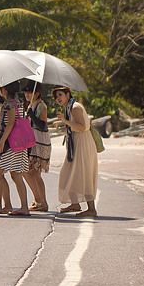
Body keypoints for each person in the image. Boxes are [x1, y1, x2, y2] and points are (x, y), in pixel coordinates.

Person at [0, 81, 30, 216]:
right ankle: (24, 207)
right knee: (16, 175)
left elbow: (9, 125)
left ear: (5, 89)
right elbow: (11, 121)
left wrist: (1, 142)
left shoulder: (9, 104)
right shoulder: (18, 102)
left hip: (10, 144)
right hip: (18, 143)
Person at [53, 86, 99, 216]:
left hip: (82, 144)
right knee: (68, 174)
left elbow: (82, 127)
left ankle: (91, 209)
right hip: (76, 144)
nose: (58, 99)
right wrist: (64, 122)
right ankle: (75, 204)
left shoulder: (75, 107)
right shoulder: (69, 107)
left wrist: (65, 121)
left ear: (68, 94)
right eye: (56, 97)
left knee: (83, 174)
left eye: (60, 95)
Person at [23, 82, 51, 212]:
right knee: (28, 172)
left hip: (39, 143)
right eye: (26, 92)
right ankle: (37, 200)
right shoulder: (30, 105)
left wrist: (32, 115)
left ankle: (43, 202)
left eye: (29, 92)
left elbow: (43, 126)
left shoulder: (41, 106)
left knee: (35, 173)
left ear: (37, 93)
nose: (27, 94)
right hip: (31, 142)